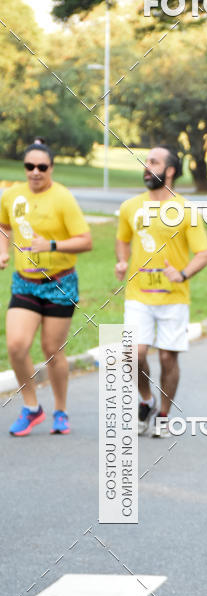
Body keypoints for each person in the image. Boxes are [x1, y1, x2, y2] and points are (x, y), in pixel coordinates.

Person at [115, 146, 207, 436]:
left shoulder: (186, 210)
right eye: (146, 161)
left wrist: (182, 274)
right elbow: (122, 239)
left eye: (153, 162)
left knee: (168, 358)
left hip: (173, 297)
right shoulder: (131, 207)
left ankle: (165, 414)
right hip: (138, 294)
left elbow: (203, 254)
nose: (146, 166)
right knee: (133, 354)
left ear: (169, 170)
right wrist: (122, 261)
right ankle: (146, 400)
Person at [0, 139, 92, 436]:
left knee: (52, 350)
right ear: (24, 167)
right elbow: (4, 226)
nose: (35, 172)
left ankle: (61, 410)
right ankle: (31, 408)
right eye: (30, 166)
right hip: (25, 282)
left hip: (59, 284)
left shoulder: (63, 198)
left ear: (51, 168)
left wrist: (51, 245)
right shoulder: (12, 195)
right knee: (16, 345)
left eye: (42, 166)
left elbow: (86, 241)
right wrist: (3, 251)